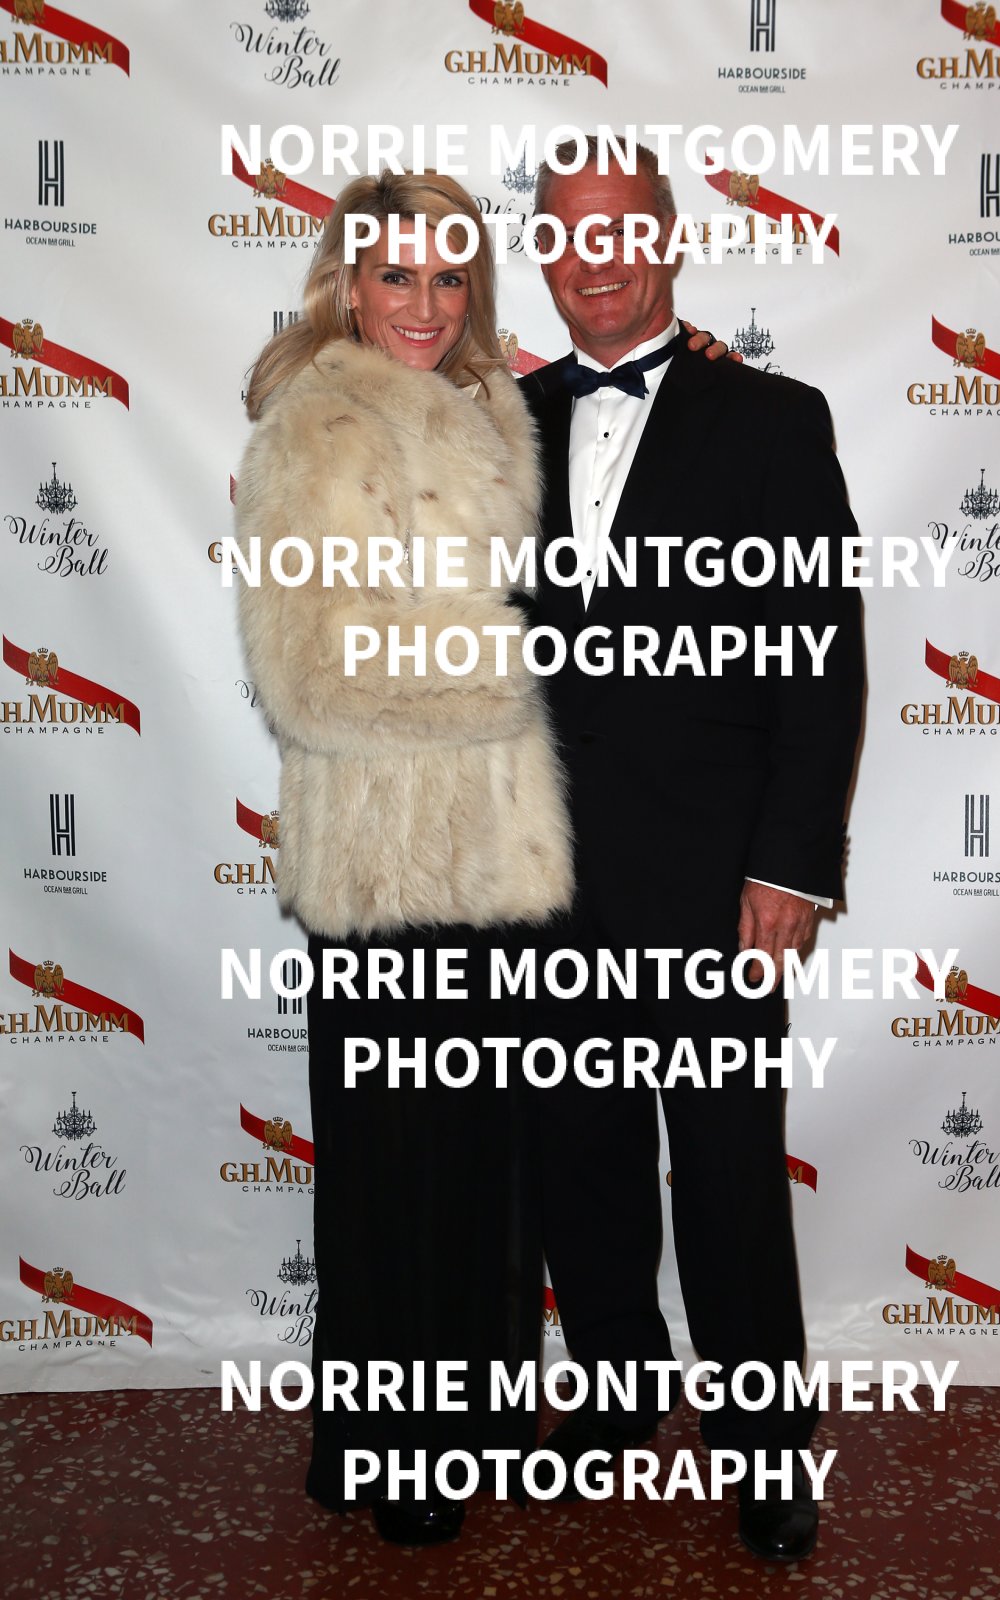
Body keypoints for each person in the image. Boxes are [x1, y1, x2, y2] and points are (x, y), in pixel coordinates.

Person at [517, 140, 865, 1563]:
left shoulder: (773, 417)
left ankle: (764, 1446)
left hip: (717, 879)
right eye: (567, 233)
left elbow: (820, 655)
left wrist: (790, 864)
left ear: (666, 239)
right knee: (580, 1151)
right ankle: (615, 1393)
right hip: (538, 876)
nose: (595, 257)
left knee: (725, 1171)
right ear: (543, 256)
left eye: (620, 228)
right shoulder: (496, 420)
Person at [233, 169, 577, 1547]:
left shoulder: (492, 406)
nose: (425, 306)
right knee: (398, 1170)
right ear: (347, 286)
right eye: (397, 278)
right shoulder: (320, 424)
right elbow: (311, 677)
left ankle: (469, 1423)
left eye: (449, 278)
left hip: (495, 860)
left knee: (481, 1163)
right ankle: (394, 1453)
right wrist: (522, 667)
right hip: (386, 869)